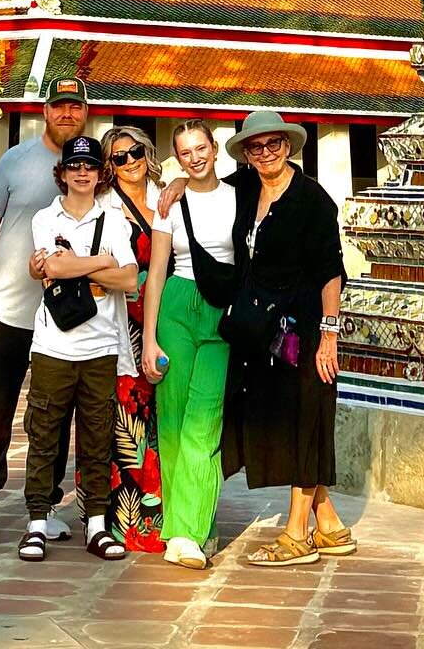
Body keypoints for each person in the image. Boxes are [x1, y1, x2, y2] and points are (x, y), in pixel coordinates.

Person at [0, 75, 89, 547]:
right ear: (45, 112)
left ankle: (46, 502)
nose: (67, 114)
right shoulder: (16, 161)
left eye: (75, 107)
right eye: (59, 107)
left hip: (63, 319)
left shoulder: (94, 165)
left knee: (53, 413)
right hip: (9, 310)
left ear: (85, 112)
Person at [219, 109, 353, 567]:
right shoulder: (241, 189)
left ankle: (296, 535)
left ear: (288, 146)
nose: (266, 153)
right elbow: (202, 193)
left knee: (306, 418)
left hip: (306, 328)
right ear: (246, 154)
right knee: (283, 420)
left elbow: (331, 271)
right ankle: (329, 523)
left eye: (274, 144)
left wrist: (329, 334)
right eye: (256, 147)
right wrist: (176, 185)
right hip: (262, 333)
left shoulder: (312, 199)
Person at [20, 134, 137, 562]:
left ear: (100, 173)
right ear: (62, 172)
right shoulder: (46, 218)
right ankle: (36, 520)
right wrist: (103, 263)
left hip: (101, 344)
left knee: (97, 435)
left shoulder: (115, 220)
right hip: (54, 343)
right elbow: (52, 265)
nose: (82, 173)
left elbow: (130, 280)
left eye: (89, 167)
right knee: (44, 433)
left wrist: (80, 270)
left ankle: (97, 524)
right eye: (74, 166)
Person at [141, 118, 236, 568]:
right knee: (174, 423)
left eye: (200, 148)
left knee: (205, 420)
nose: (194, 158)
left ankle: (187, 530)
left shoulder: (239, 196)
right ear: (176, 157)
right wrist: (148, 339)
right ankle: (189, 528)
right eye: (184, 153)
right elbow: (156, 272)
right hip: (177, 305)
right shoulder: (168, 204)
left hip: (222, 312)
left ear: (215, 149)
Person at [99, 124, 164, 553]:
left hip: (166, 321)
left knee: (162, 423)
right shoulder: (105, 206)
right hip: (126, 328)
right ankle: (124, 522)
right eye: (118, 157)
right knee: (129, 423)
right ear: (110, 166)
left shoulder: (166, 195)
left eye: (135, 152)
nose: (129, 162)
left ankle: (163, 515)